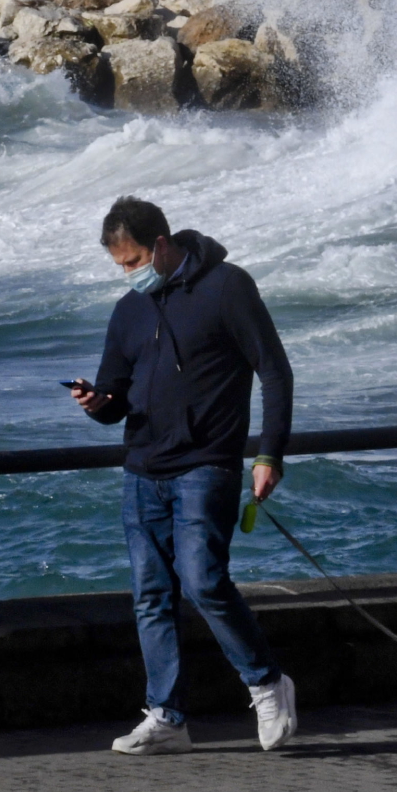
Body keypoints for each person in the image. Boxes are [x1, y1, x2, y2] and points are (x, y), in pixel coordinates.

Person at [70, 196, 297, 756]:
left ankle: (268, 683)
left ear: (161, 246)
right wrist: (95, 403)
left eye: (133, 261)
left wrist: (269, 454)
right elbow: (115, 398)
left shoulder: (227, 288)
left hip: (206, 464)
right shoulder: (129, 310)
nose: (128, 274)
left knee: (202, 581)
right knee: (151, 595)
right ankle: (167, 716)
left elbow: (274, 370)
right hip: (142, 469)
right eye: (120, 266)